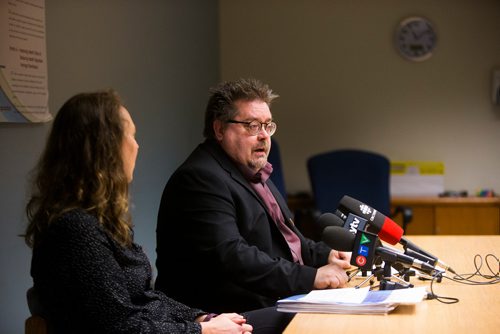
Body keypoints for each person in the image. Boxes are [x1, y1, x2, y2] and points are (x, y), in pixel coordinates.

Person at [24, 90, 290, 333]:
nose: (136, 146)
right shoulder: (75, 231)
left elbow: (145, 297)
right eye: (130, 135)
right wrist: (202, 331)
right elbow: (120, 327)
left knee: (290, 317)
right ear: (102, 147)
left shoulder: (98, 221)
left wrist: (202, 318)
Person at [155, 78, 351, 314]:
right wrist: (312, 278)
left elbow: (289, 241)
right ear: (219, 129)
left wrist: (327, 255)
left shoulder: (252, 171)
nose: (264, 136)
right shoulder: (200, 178)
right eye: (252, 125)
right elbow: (233, 257)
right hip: (226, 314)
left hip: (266, 298)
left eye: (268, 126)